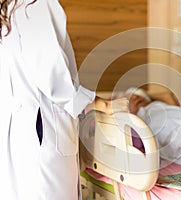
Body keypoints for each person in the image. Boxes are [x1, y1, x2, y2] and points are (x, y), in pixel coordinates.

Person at [0, 0, 128, 199]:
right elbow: (52, 76)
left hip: (18, 134)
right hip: (41, 132)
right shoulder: (35, 5)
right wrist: (102, 104)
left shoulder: (8, 9)